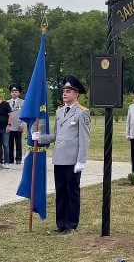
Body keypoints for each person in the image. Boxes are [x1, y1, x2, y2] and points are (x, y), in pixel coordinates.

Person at [32, 75, 90, 235]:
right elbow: (57, 136)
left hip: (72, 160)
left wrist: (81, 161)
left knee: (72, 192)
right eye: (64, 90)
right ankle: (61, 223)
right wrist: (41, 138)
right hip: (59, 159)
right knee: (61, 192)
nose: (65, 93)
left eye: (69, 91)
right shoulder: (59, 111)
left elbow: (85, 139)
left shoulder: (83, 112)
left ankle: (71, 225)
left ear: (76, 94)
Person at [6, 84, 25, 164]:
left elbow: (24, 114)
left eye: (16, 91)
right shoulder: (7, 102)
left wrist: (22, 124)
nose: (14, 93)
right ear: (10, 93)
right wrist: (7, 125)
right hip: (10, 127)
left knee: (18, 143)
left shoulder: (23, 102)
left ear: (19, 93)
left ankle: (18, 159)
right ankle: (10, 159)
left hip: (18, 126)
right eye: (12, 91)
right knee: (10, 143)